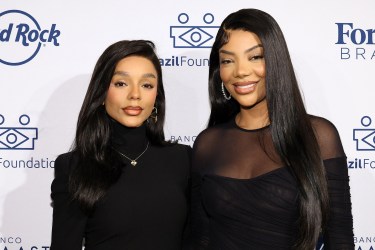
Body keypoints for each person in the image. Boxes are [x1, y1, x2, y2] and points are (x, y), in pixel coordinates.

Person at [189, 8, 354, 250]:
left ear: (276, 60)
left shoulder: (318, 136)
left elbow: (340, 242)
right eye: (227, 60)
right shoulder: (208, 143)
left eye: (255, 57)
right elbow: (198, 240)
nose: (241, 71)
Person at [50, 40, 191, 250]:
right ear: (102, 94)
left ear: (156, 96)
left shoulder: (183, 159)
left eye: (147, 85)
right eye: (121, 83)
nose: (135, 95)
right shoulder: (74, 166)